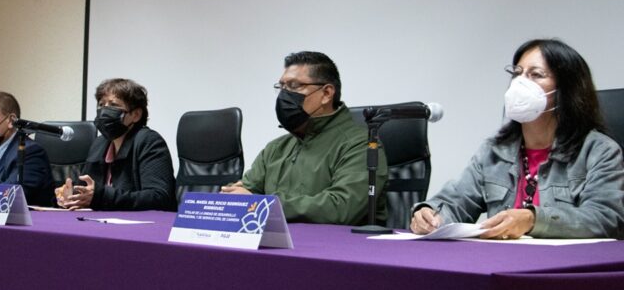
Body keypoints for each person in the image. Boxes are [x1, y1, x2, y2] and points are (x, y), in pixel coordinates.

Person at [411, 39, 624, 239]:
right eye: (517, 73)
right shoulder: (494, 151)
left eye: (536, 74)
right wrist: (430, 215)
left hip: (566, 263)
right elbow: (456, 201)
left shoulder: (599, 151)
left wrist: (533, 219)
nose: (520, 83)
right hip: (502, 260)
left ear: (566, 90)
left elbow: (605, 218)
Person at [222, 51, 387, 226]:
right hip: (279, 241)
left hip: (337, 242)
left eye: (294, 86)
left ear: (326, 93)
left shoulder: (361, 144)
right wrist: (236, 197)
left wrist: (264, 204)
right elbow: (245, 191)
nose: (284, 95)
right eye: (281, 87)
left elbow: (341, 207)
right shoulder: (276, 148)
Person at [55, 78, 176, 211]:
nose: (104, 110)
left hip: (142, 222)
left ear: (136, 115)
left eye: (113, 105)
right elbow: (88, 192)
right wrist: (71, 196)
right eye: (101, 105)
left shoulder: (149, 141)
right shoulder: (99, 144)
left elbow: (159, 197)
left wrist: (101, 197)